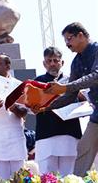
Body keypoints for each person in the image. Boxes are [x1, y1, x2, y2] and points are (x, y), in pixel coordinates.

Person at [45, 22, 98, 176]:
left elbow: (95, 76)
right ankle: (78, 179)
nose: (67, 44)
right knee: (84, 148)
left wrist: (65, 87)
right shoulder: (76, 62)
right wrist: (45, 107)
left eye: (69, 39)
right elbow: (70, 95)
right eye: (66, 41)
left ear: (80, 35)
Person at [33, 47, 81, 175]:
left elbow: (83, 99)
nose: (53, 64)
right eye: (49, 61)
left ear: (62, 63)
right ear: (44, 63)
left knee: (70, 177)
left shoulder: (72, 81)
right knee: (48, 176)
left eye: (56, 60)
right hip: (46, 135)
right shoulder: (37, 82)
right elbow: (31, 106)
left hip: (70, 134)